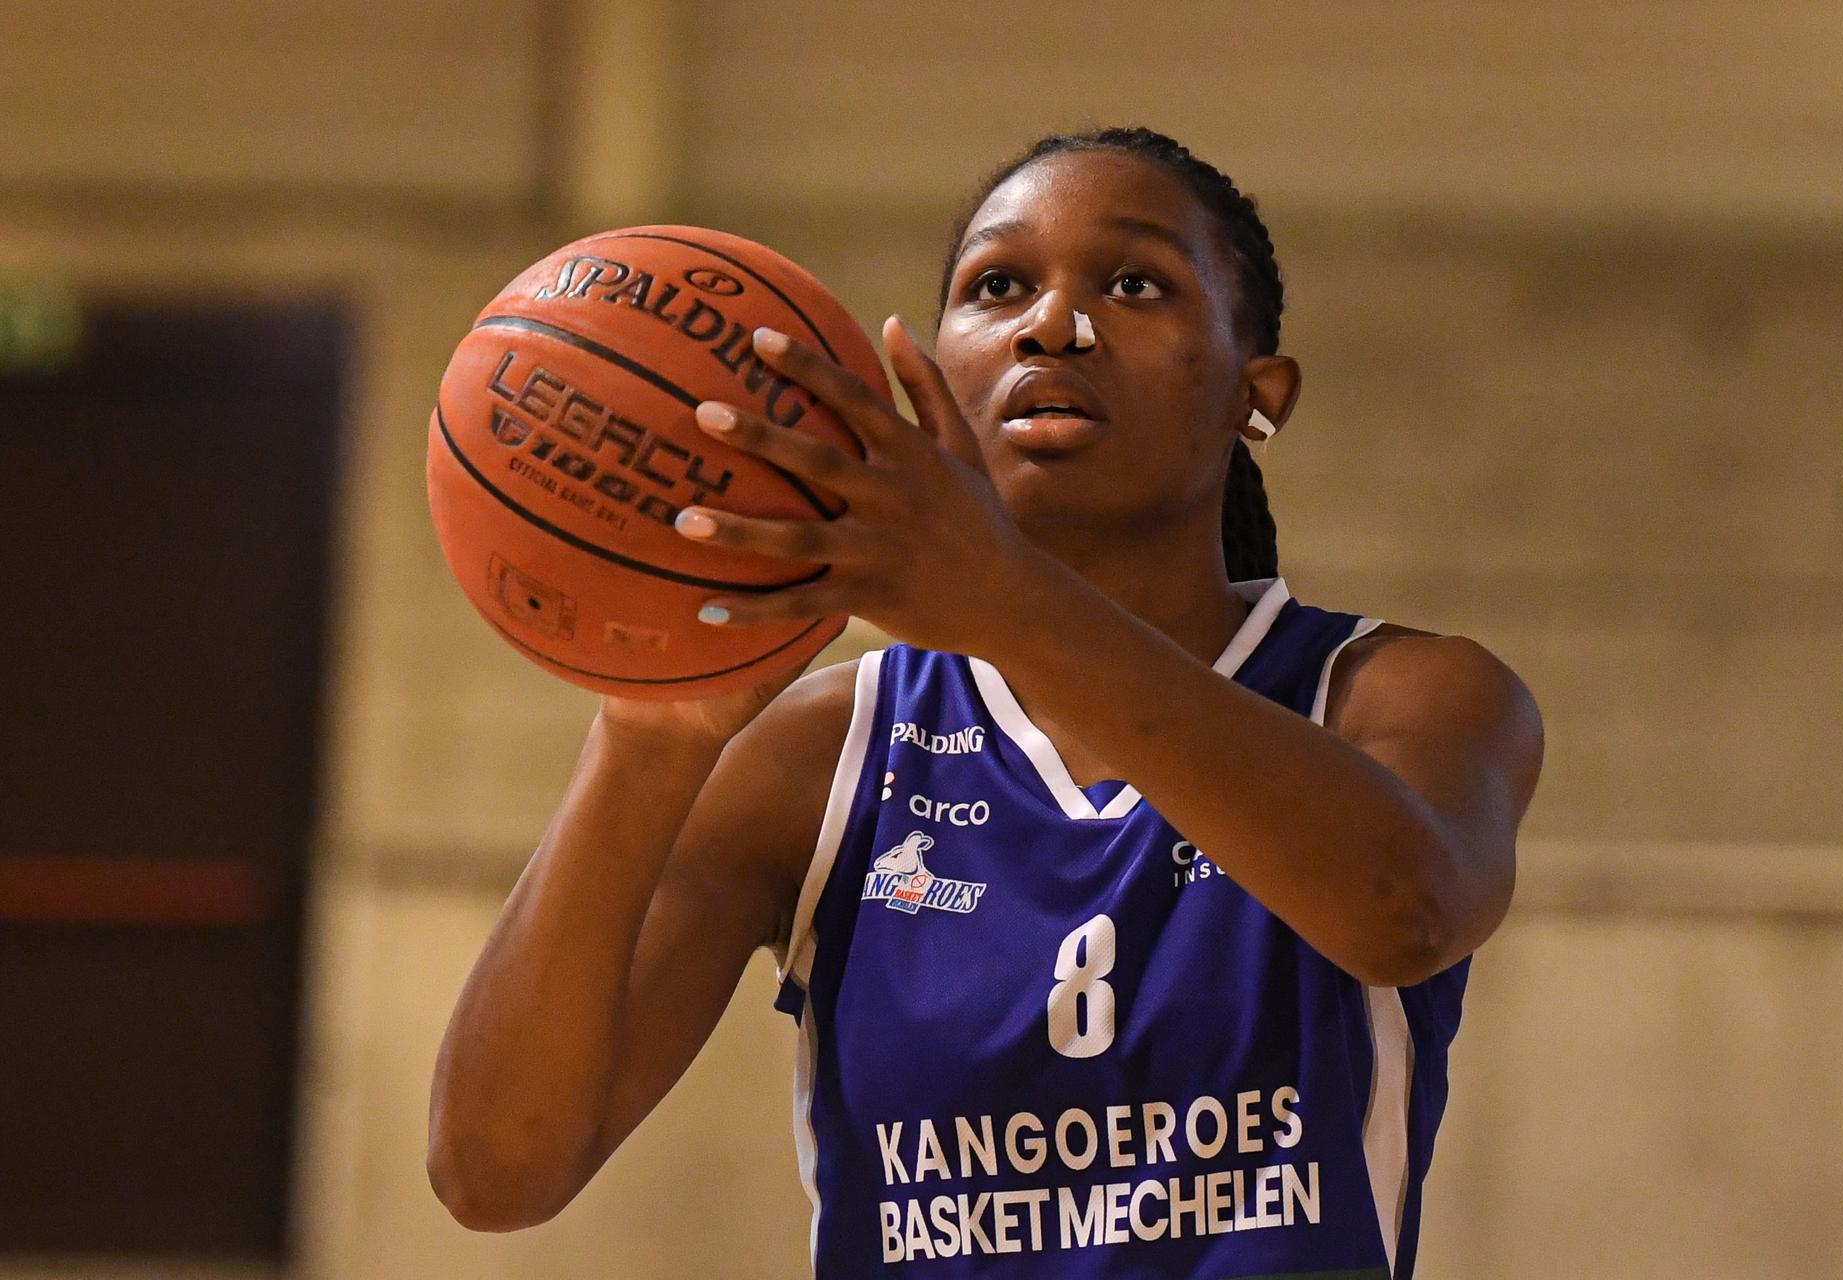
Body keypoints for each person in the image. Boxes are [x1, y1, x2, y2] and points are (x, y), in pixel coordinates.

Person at [427, 126, 1545, 1279]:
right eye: (998, 285)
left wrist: (1005, 603)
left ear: (1256, 398)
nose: (1053, 324)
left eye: (1133, 284)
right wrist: (649, 733)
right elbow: (497, 1169)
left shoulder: (1398, 690)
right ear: (936, 373)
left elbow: (1400, 912)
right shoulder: (822, 751)